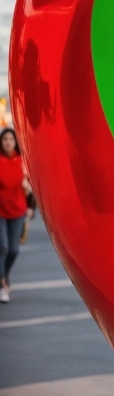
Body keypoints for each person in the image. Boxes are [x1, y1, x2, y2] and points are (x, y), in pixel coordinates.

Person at [0, 128, 32, 303]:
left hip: (18, 211)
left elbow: (28, 187)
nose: (8, 142)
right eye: (5, 139)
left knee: (13, 249)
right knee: (2, 247)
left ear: (15, 142)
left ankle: (3, 274)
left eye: (11, 139)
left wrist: (30, 207)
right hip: (1, 212)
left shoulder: (21, 161)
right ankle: (3, 284)